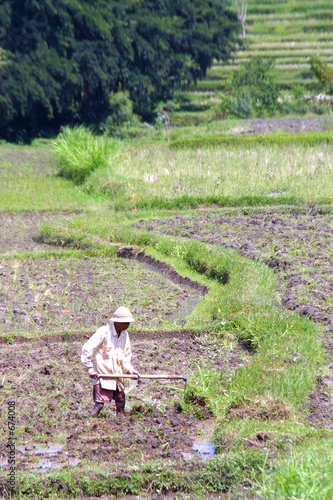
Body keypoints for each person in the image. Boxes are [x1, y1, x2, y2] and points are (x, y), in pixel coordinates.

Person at [81, 306, 140, 418]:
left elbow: (125, 358)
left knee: (121, 402)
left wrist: (130, 371)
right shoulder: (104, 332)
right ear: (117, 322)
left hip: (117, 376)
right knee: (99, 405)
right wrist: (90, 369)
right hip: (103, 376)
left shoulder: (124, 335)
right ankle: (89, 424)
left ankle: (121, 425)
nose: (128, 325)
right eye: (126, 322)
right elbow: (87, 349)